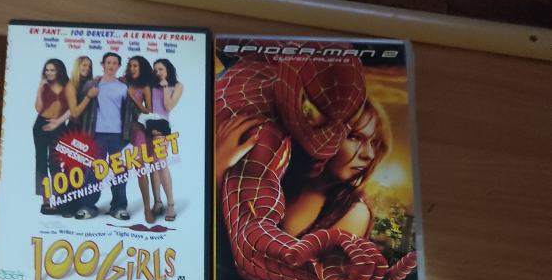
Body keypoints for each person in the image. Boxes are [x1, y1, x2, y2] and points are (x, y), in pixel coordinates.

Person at [216, 98, 390, 240]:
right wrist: (219, 165)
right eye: (354, 137)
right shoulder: (277, 170)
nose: (369, 154)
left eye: (374, 143)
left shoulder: (353, 213)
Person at [75, 52, 131, 221]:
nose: (111, 65)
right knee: (93, 172)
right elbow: (80, 105)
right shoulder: (93, 84)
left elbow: (129, 112)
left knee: (120, 171)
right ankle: (88, 206)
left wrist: (128, 135)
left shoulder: (124, 87)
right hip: (96, 134)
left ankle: (119, 207)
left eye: (114, 63)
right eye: (108, 62)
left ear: (118, 66)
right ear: (103, 64)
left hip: (118, 136)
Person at [33, 59, 69, 214]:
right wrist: (39, 88)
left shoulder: (68, 86)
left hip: (59, 126)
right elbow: (38, 108)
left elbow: (72, 109)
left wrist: (59, 121)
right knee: (41, 163)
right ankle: (46, 201)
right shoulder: (45, 86)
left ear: (59, 71)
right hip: (41, 125)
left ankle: (59, 199)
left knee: (55, 163)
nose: (48, 73)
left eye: (52, 70)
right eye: (47, 70)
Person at [149, 59, 183, 221]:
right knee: (153, 166)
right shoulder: (151, 85)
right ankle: (157, 202)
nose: (158, 72)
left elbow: (168, 107)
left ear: (168, 70)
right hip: (147, 125)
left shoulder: (177, 86)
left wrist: (164, 88)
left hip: (162, 126)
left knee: (161, 163)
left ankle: (170, 204)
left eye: (161, 69)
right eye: (155, 70)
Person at [124, 55, 155, 223]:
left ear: (141, 68)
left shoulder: (145, 87)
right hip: (121, 129)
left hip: (138, 130)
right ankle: (118, 205)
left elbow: (149, 110)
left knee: (140, 170)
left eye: (135, 65)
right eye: (130, 65)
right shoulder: (124, 82)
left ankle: (147, 209)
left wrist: (134, 98)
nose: (132, 68)